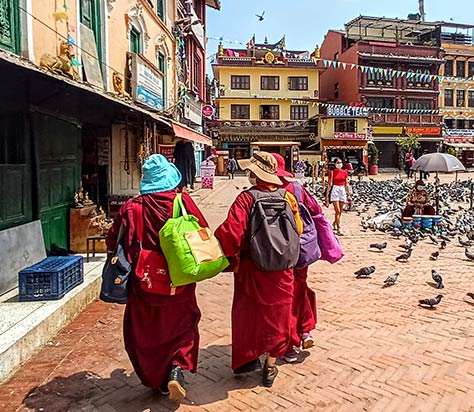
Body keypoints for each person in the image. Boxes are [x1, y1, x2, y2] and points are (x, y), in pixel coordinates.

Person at [105, 154, 210, 401]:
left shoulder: (132, 208)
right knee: (183, 324)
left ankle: (155, 378)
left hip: (144, 282)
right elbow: (201, 229)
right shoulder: (182, 202)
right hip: (178, 279)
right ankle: (176, 368)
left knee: (143, 331)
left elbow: (113, 240)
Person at [214, 151, 304, 388]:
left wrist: (223, 255)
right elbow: (299, 229)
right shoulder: (288, 197)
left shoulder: (246, 199)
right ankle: (271, 364)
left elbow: (231, 232)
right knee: (278, 316)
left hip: (252, 267)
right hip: (282, 269)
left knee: (249, 314)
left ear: (255, 174)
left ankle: (248, 358)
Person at [271, 153, 320, 363]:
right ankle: (305, 329)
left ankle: (289, 344)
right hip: (300, 250)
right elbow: (316, 211)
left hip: (275, 252)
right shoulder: (298, 188)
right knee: (300, 288)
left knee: (284, 297)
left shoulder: (262, 191)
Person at [325, 157, 351, 235]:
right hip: (335, 189)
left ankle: (335, 222)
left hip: (342, 189)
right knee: (337, 210)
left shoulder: (344, 172)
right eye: (338, 163)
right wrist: (326, 196)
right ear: (335, 164)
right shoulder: (332, 172)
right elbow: (329, 184)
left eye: (340, 162)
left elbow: (346, 184)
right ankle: (339, 227)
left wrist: (349, 194)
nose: (339, 164)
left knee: (340, 211)